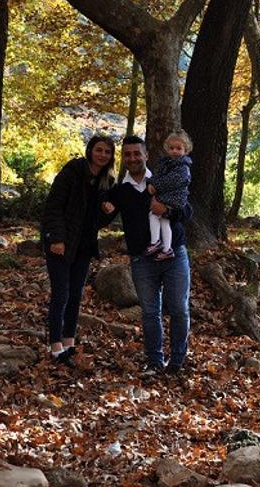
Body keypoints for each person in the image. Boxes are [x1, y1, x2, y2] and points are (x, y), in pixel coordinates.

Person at [102, 136, 192, 375]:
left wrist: (168, 210)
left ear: (146, 155)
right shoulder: (120, 190)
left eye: (137, 153)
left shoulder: (165, 178)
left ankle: (177, 362)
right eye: (128, 154)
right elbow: (103, 218)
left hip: (174, 256)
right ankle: (154, 361)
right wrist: (105, 208)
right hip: (142, 259)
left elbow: (188, 211)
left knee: (179, 309)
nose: (133, 158)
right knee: (150, 313)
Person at [41, 135, 116, 367]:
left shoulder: (106, 182)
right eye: (99, 150)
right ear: (90, 150)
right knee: (61, 294)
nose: (102, 155)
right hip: (61, 243)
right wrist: (57, 238)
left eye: (107, 152)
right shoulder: (73, 171)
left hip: (84, 246)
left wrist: (108, 212)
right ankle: (55, 346)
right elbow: (53, 206)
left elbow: (98, 221)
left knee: (75, 295)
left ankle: (68, 342)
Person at [144, 130, 192, 261]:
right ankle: (167, 249)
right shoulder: (167, 163)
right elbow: (159, 176)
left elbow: (171, 181)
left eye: (178, 148)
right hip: (170, 196)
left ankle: (155, 242)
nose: (174, 151)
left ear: (185, 150)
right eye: (171, 148)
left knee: (153, 215)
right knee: (164, 221)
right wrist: (151, 182)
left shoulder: (183, 167)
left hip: (174, 197)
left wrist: (155, 185)